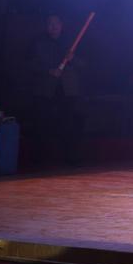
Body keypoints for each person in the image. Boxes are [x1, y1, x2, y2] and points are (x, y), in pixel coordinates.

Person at [28, 13, 84, 165]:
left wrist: (73, 58)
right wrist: (49, 71)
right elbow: (30, 64)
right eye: (50, 24)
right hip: (46, 90)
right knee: (44, 123)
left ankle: (70, 158)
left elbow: (85, 64)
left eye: (56, 23)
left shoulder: (72, 42)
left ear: (61, 25)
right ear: (46, 26)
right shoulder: (38, 43)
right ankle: (42, 159)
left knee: (68, 122)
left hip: (68, 90)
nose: (53, 27)